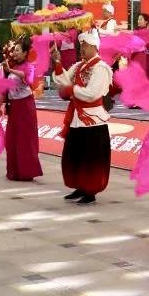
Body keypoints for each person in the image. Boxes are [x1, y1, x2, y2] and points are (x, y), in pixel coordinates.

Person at [51, 30, 112, 205]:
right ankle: (80, 185)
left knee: (90, 157)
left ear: (95, 47)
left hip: (92, 119)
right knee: (75, 154)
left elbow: (92, 94)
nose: (82, 49)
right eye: (81, 45)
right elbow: (64, 81)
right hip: (77, 118)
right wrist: (57, 62)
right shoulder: (78, 66)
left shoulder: (101, 68)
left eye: (85, 45)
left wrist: (72, 90)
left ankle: (90, 190)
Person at [0, 38, 42, 182]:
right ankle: (15, 171)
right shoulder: (12, 66)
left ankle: (27, 172)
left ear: (25, 53)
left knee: (25, 139)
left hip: (25, 107)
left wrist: (11, 70)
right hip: (14, 107)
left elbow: (29, 80)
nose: (15, 53)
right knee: (11, 139)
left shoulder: (29, 66)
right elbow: (6, 86)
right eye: (14, 50)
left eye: (18, 50)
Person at [130, 14, 149, 80]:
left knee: (139, 77)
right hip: (134, 56)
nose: (138, 21)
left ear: (146, 22)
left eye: (141, 19)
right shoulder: (138, 31)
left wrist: (144, 49)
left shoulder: (145, 32)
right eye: (138, 19)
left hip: (141, 58)